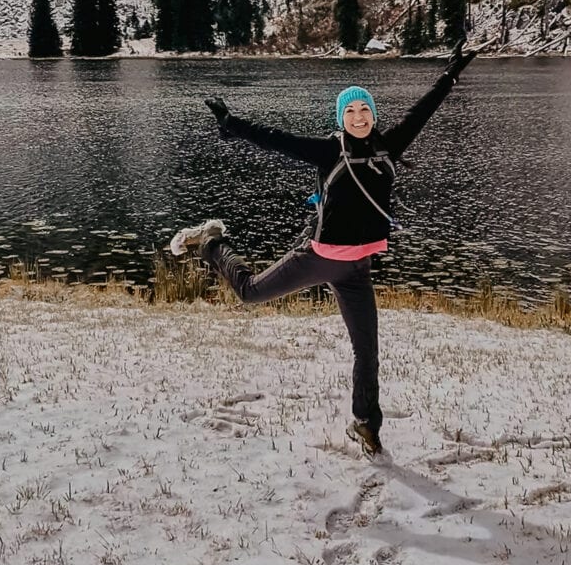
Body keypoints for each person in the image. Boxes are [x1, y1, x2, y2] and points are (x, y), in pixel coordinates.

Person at [171, 41, 477, 457]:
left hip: (357, 269)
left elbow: (423, 109)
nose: (358, 117)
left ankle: (367, 424)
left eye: (364, 109)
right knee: (250, 294)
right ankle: (211, 242)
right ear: (341, 118)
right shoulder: (329, 150)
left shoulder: (389, 146)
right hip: (319, 258)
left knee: (367, 351)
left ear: (373, 115)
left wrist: (451, 73)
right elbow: (278, 139)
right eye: (350, 111)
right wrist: (234, 124)